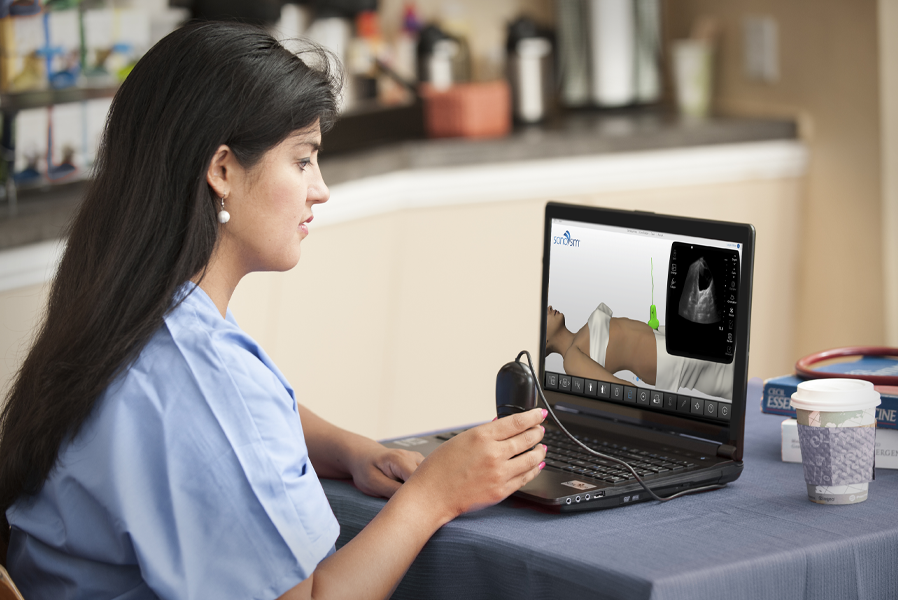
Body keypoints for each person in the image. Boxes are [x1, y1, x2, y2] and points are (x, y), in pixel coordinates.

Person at [0, 22, 547, 599]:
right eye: (303, 160)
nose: (321, 189)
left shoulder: (128, 320)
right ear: (223, 172)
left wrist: (349, 449)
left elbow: (226, 422)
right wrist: (435, 495)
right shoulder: (197, 375)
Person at [545, 303, 733, 400]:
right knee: (729, 368)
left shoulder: (579, 339)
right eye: (542, 313)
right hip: (665, 358)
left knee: (727, 374)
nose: (549, 307)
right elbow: (622, 390)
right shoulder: (571, 359)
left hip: (666, 341)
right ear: (543, 341)